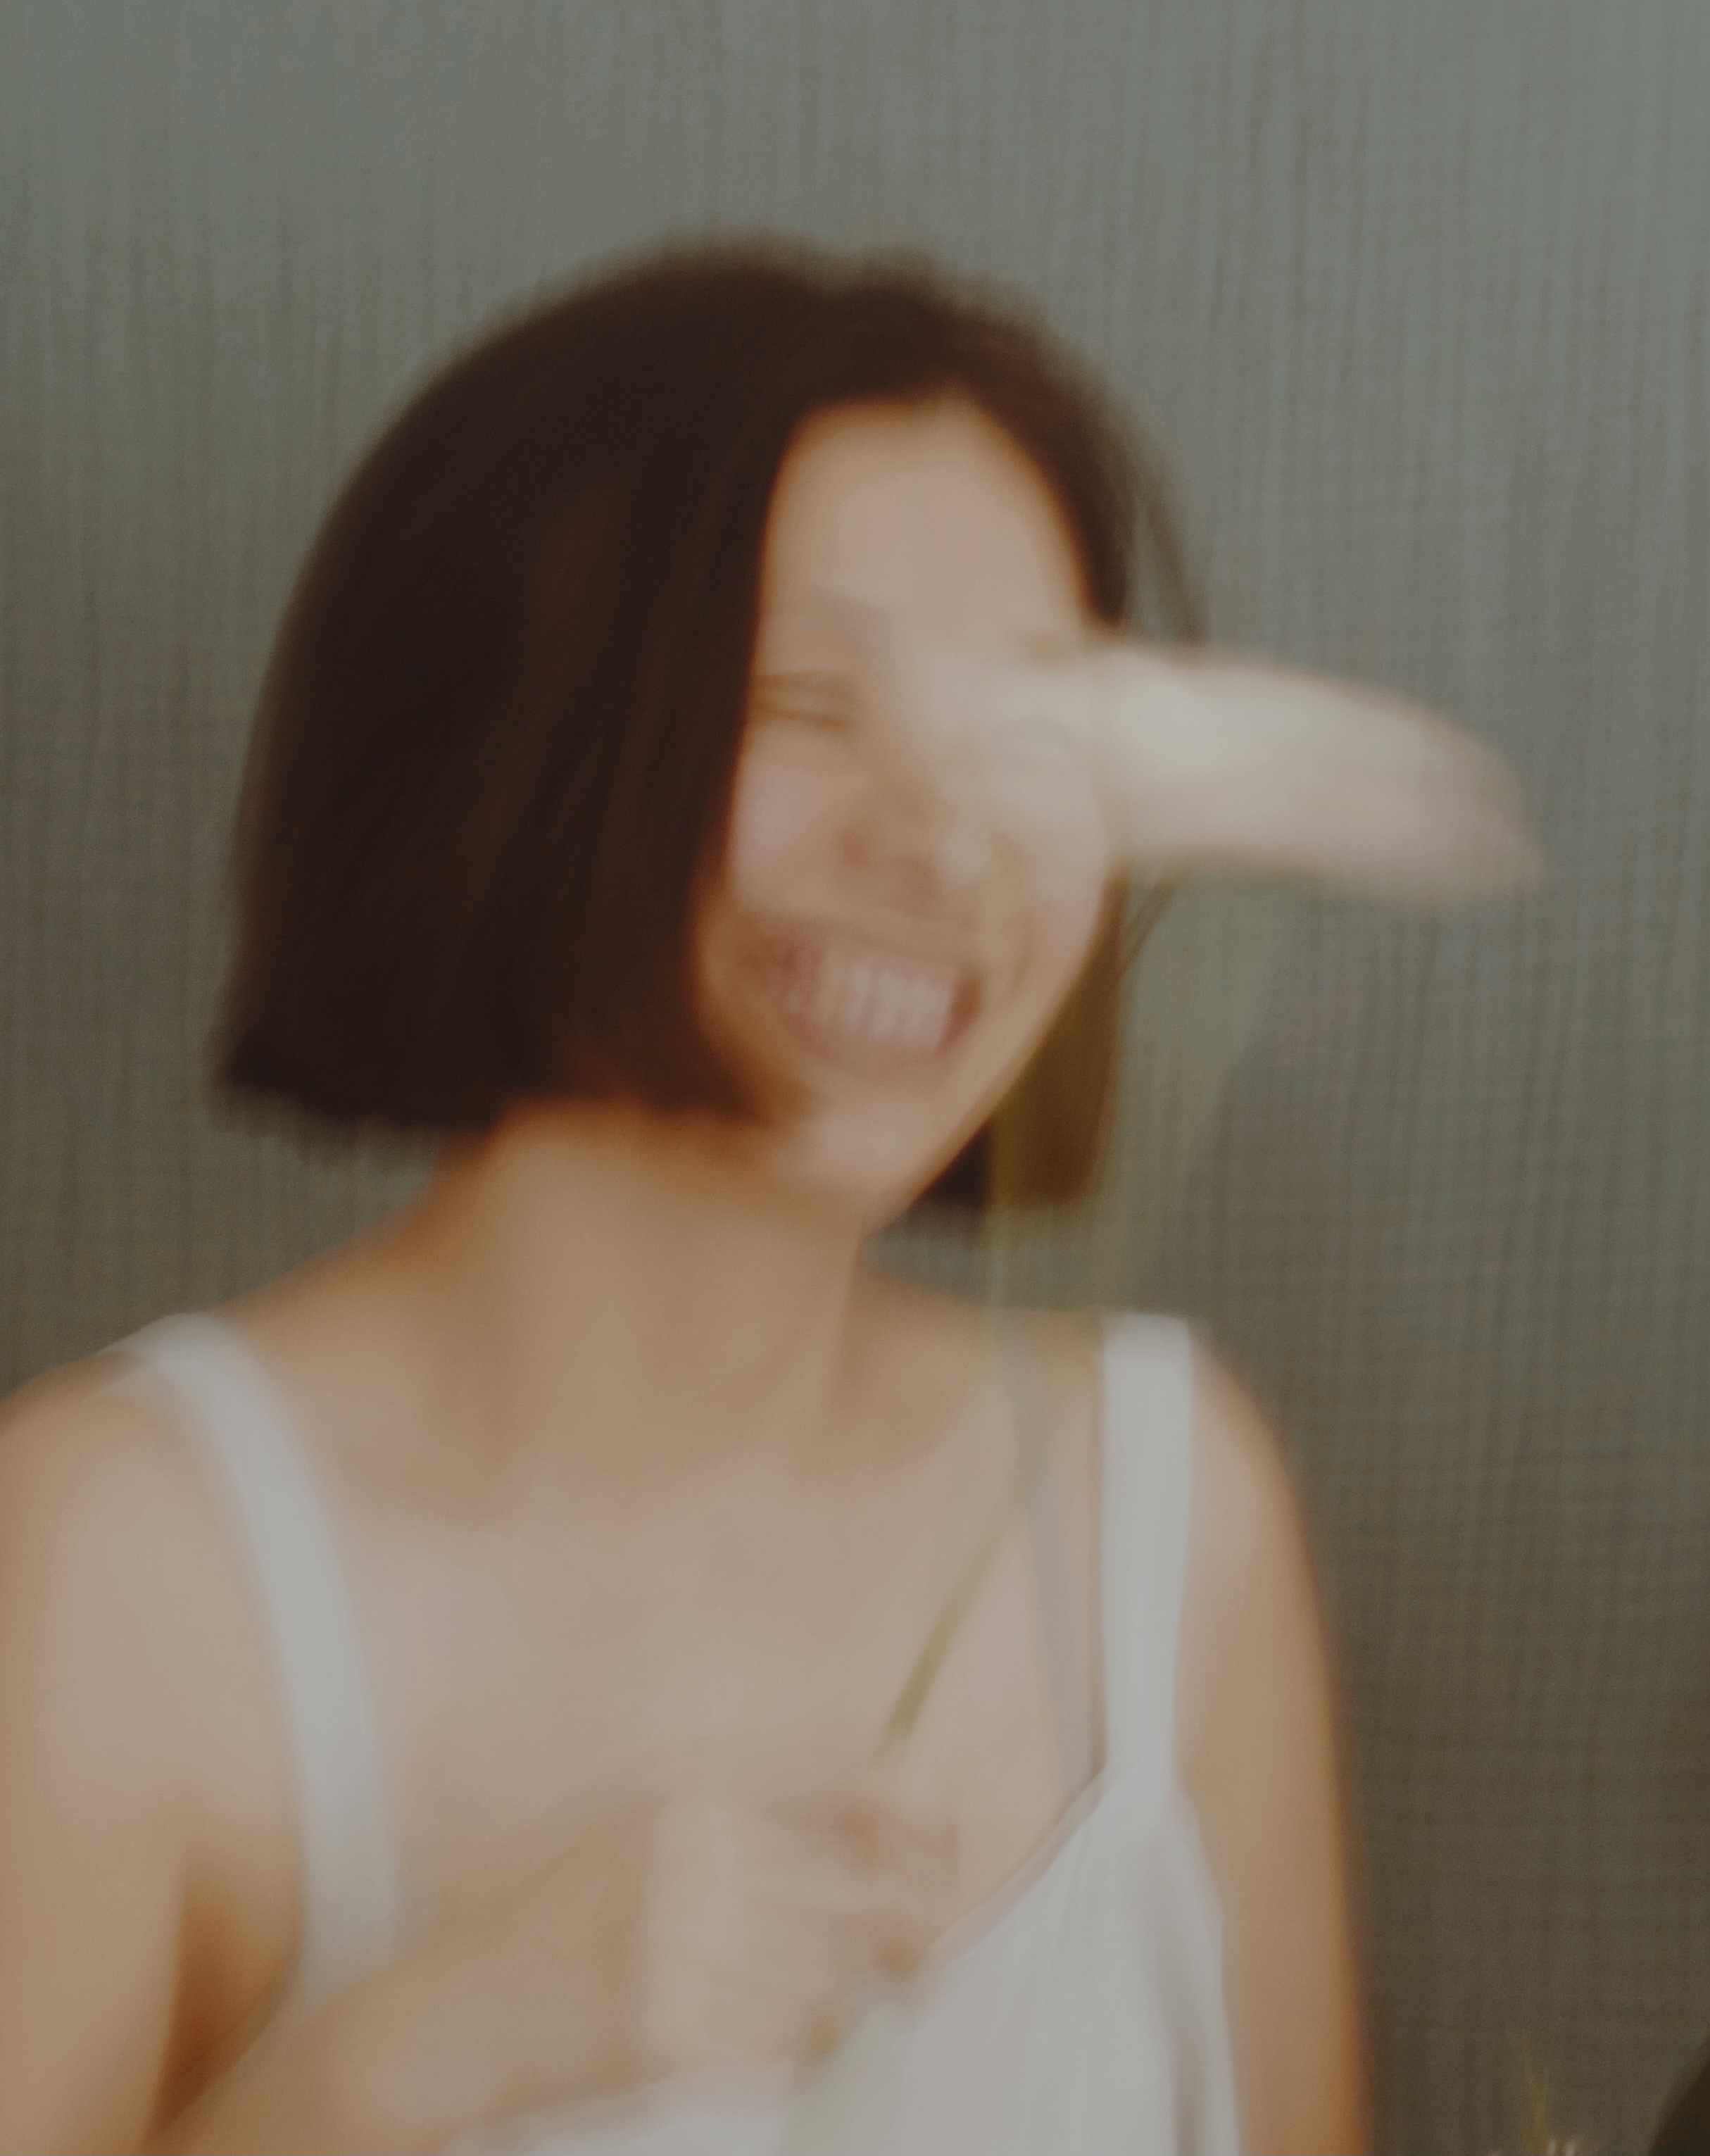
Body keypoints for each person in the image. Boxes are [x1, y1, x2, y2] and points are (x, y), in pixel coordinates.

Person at [0, 246, 1369, 2152]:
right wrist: (399, 2068)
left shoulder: (1171, 1508)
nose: (946, 839)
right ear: (509, 742)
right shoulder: (108, 1564)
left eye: (1035, 735)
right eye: (804, 700)